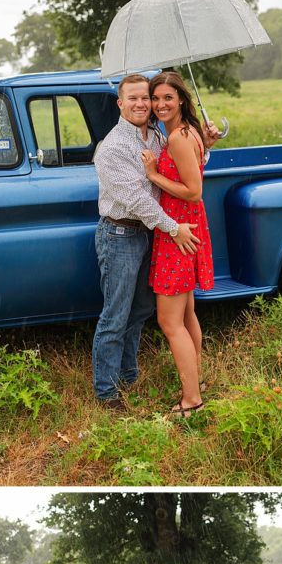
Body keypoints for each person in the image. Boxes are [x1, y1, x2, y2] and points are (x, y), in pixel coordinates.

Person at [92, 73, 204, 409]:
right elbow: (137, 200)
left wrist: (204, 141)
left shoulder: (157, 136)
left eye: (147, 98)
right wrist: (173, 228)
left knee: (140, 310)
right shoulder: (111, 148)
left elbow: (183, 168)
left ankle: (129, 375)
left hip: (149, 235)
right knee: (115, 315)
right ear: (120, 103)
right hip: (120, 234)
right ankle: (107, 392)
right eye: (135, 98)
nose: (143, 104)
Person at [142, 71, 216, 416]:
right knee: (186, 314)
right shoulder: (187, 133)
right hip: (183, 226)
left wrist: (154, 175)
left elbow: (194, 190)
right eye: (155, 99)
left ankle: (192, 401)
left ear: (182, 100)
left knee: (169, 322)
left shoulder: (178, 138)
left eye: (167, 98)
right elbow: (195, 168)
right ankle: (195, 383)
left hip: (179, 231)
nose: (159, 105)